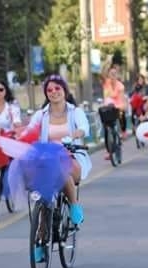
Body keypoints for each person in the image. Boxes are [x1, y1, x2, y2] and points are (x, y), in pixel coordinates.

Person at [18, 74, 91, 230]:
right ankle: (40, 237)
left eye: (57, 88)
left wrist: (75, 135)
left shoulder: (75, 111)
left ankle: (74, 206)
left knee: (62, 171)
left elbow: (84, 127)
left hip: (71, 157)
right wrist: (19, 134)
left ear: (64, 90)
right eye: (49, 90)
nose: (53, 92)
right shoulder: (41, 114)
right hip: (46, 159)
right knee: (41, 194)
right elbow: (30, 130)